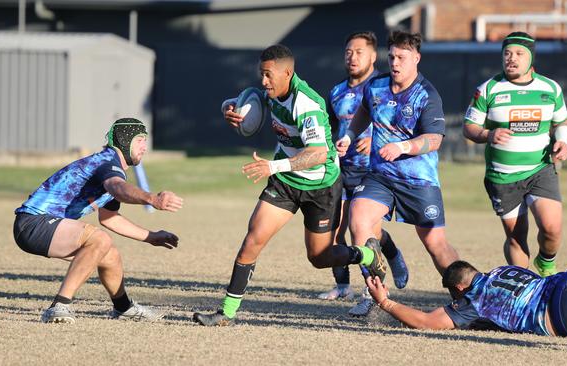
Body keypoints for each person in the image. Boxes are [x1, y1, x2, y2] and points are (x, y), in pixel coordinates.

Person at [193, 44, 387, 326]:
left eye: (268, 75)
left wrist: (272, 166)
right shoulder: (270, 93)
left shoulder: (306, 103)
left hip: (320, 184)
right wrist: (229, 109)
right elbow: (241, 100)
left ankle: (368, 254)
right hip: (285, 181)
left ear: (287, 73)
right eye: (261, 74)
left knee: (320, 257)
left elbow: (318, 153)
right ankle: (226, 313)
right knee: (253, 238)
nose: (263, 81)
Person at [336, 30, 460, 315]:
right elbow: (363, 112)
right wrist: (349, 135)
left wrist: (404, 147)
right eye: (391, 56)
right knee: (359, 220)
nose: (394, 62)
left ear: (416, 58)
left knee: (435, 244)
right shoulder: (376, 86)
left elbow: (434, 139)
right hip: (380, 176)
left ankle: (468, 297)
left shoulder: (426, 94)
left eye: (401, 57)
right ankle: (372, 294)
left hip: (418, 181)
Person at [13, 118, 184, 324]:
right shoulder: (107, 162)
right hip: (33, 223)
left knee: (109, 254)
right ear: (125, 140)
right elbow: (117, 189)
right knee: (99, 240)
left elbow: (109, 218)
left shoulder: (112, 169)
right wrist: (152, 199)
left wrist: (151, 236)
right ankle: (59, 306)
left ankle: (123, 308)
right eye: (140, 140)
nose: (145, 147)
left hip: (43, 226)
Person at [463, 32, 567, 277]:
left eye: (519, 53)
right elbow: (469, 128)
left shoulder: (550, 88)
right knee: (516, 236)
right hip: (502, 177)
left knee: (552, 229)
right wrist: (488, 135)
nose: (511, 58)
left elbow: (563, 122)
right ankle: (523, 286)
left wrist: (564, 142)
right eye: (507, 53)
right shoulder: (488, 89)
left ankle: (546, 264)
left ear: (531, 58)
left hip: (540, 170)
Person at [321, 31, 409, 316]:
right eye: (348, 51)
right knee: (333, 232)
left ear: (373, 57)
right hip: (341, 171)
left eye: (359, 52)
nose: (352, 57)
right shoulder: (335, 92)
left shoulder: (385, 88)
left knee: (367, 232)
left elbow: (399, 127)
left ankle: (382, 269)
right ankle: (342, 285)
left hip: (372, 172)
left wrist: (374, 141)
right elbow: (331, 128)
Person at [365, 260, 567, 338]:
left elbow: (427, 322)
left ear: (459, 288)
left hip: (560, 311)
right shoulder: (505, 269)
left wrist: (385, 302)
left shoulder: (475, 298)